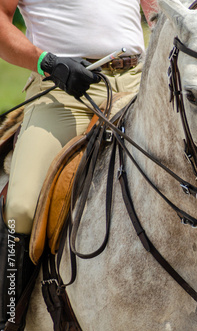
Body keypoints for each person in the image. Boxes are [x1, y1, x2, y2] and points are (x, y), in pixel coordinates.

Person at [0, 0, 157, 328]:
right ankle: (9, 316)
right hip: (60, 88)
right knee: (21, 208)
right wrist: (46, 62)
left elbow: (154, 7)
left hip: (136, 82)